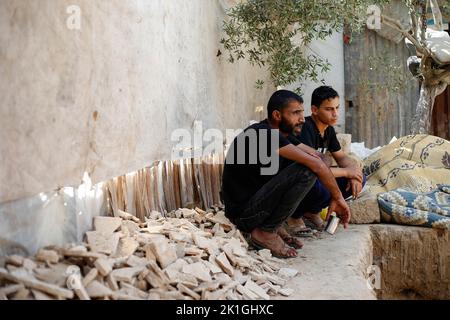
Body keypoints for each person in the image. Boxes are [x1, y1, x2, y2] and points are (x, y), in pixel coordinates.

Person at [220, 89, 351, 258]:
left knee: (308, 164)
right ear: (277, 115)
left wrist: (319, 163)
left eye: (302, 113)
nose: (302, 119)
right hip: (244, 216)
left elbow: (320, 158)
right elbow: (316, 164)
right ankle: (265, 232)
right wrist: (338, 198)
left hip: (255, 210)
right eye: (296, 113)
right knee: (307, 170)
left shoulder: (282, 136)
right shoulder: (263, 133)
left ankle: (273, 227)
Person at [286, 86, 364, 235]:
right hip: (298, 182)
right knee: (319, 188)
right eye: (329, 109)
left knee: (362, 178)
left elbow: (342, 158)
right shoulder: (305, 129)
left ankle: (311, 212)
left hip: (316, 176)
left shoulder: (328, 130)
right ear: (315, 110)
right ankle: (294, 215)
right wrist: (347, 172)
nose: (335, 114)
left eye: (337, 108)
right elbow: (312, 169)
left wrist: (355, 175)